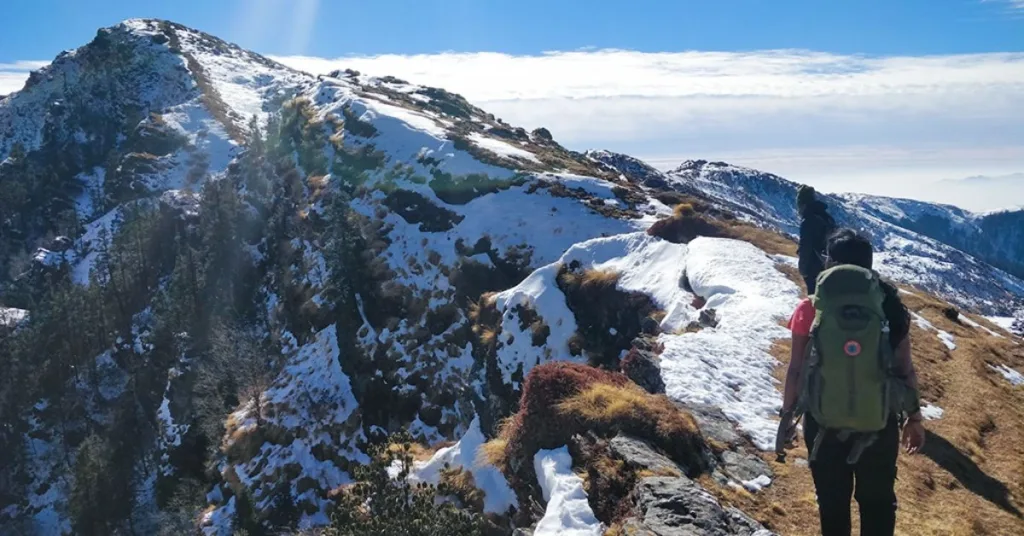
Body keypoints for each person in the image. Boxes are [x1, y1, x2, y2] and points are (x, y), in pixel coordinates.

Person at [777, 229, 926, 536]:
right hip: (879, 423)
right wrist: (914, 418)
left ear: (830, 263)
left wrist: (787, 416)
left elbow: (795, 370)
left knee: (832, 506)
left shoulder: (810, 309)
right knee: (878, 505)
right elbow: (905, 371)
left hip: (823, 425)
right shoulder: (890, 308)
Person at [797, 185, 836, 295]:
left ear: (802, 204)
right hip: (829, 265)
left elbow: (805, 246)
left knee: (815, 299)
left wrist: (803, 270)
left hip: (814, 268)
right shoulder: (826, 217)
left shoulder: (808, 220)